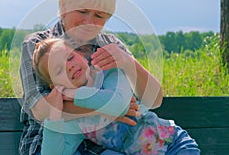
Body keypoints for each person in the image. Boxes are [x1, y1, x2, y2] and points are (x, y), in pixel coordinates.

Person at [19, 0, 163, 154]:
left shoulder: (110, 45)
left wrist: (128, 63)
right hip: (53, 144)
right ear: (64, 7)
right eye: (82, 11)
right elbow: (40, 110)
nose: (89, 21)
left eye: (99, 15)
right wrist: (109, 109)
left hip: (106, 144)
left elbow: (155, 100)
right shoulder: (37, 45)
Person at [32, 38, 200, 155]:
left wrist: (73, 93)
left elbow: (118, 104)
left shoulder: (109, 73)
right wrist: (54, 113)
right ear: (54, 87)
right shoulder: (76, 120)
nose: (69, 66)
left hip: (173, 145)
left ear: (82, 55)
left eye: (70, 57)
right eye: (59, 70)